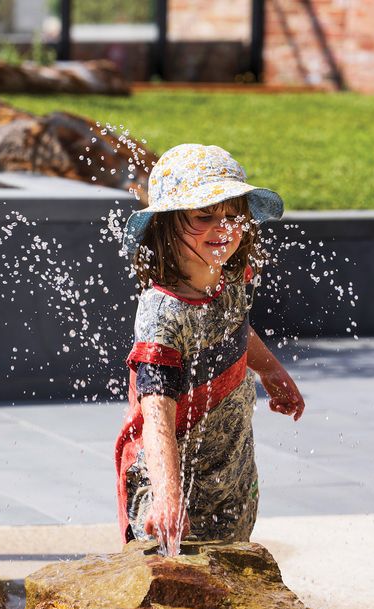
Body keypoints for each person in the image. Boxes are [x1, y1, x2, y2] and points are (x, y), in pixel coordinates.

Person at [115, 143, 304, 556]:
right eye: (204, 217)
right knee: (173, 576)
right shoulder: (162, 315)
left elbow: (237, 328)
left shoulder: (226, 282)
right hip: (173, 486)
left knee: (232, 568)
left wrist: (271, 371)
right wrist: (167, 495)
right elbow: (156, 413)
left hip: (231, 473)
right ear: (165, 226)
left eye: (233, 216)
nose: (223, 228)